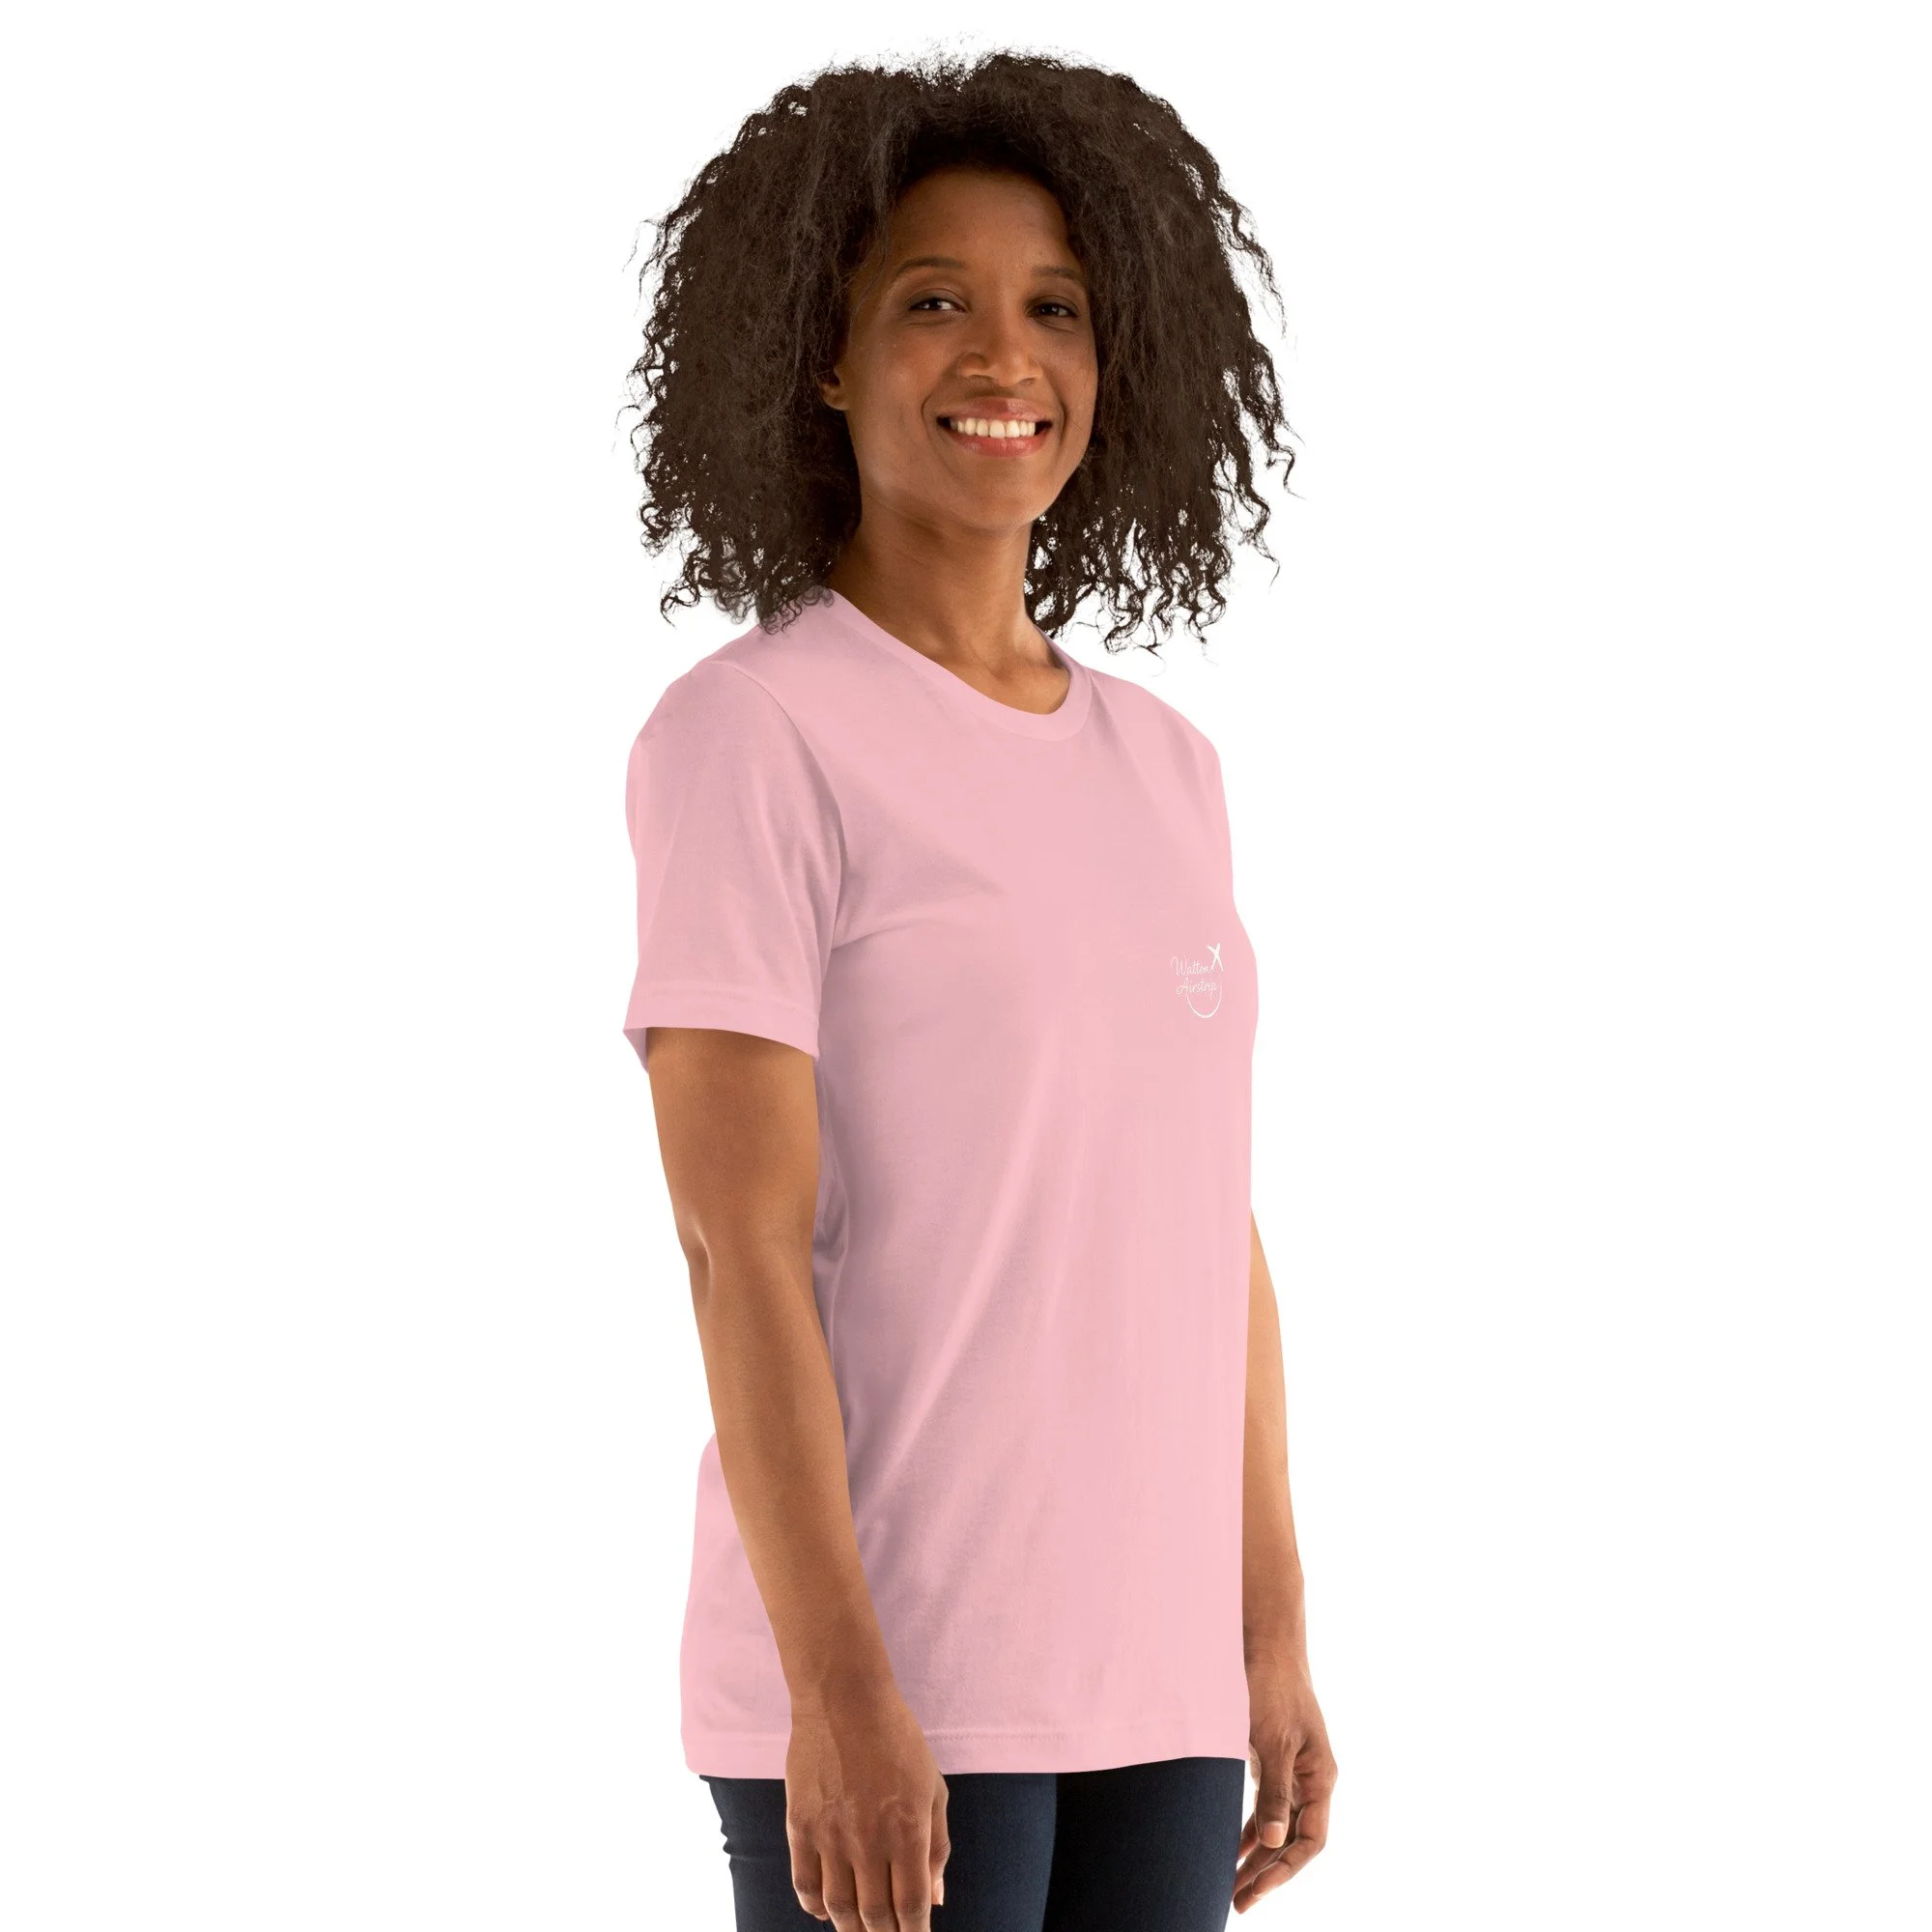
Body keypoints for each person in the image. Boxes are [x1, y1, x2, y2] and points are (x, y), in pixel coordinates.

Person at [619, 50, 1336, 1931]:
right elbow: (736, 1248)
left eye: (1056, 309)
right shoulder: (755, 736)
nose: (1003, 356)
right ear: (827, 354)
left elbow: (1207, 1224)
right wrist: (838, 1693)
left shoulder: (1167, 766)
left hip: (1156, 1693)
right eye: (933, 301)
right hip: (897, 1685)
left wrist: (1264, 1629)